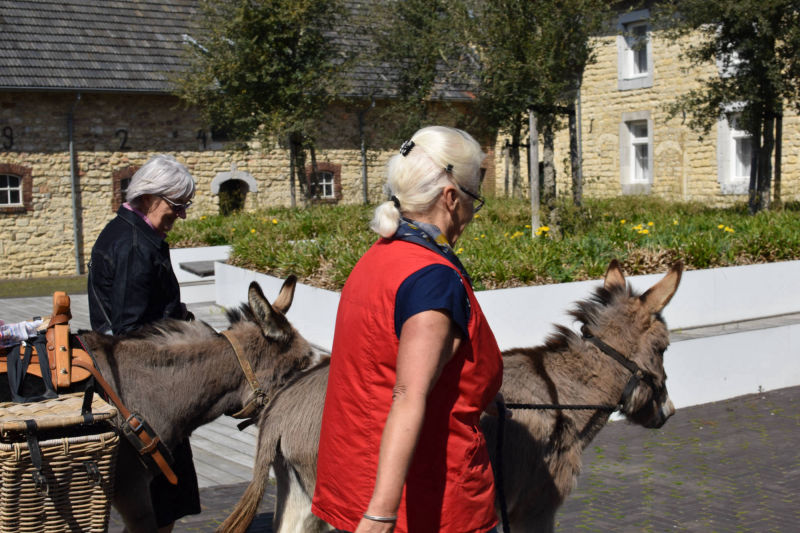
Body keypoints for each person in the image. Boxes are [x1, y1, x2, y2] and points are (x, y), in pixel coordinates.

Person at [311, 126, 504, 533]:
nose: (471, 216)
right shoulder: (432, 278)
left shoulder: (378, 256)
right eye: (474, 202)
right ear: (451, 199)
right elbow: (406, 393)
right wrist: (380, 514)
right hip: (427, 500)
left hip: (354, 478)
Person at [87, 153, 200, 532]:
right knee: (153, 509)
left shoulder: (133, 234)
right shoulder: (134, 245)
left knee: (160, 506)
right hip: (145, 398)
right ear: (152, 196)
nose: (181, 215)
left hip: (149, 390)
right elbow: (129, 333)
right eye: (178, 205)